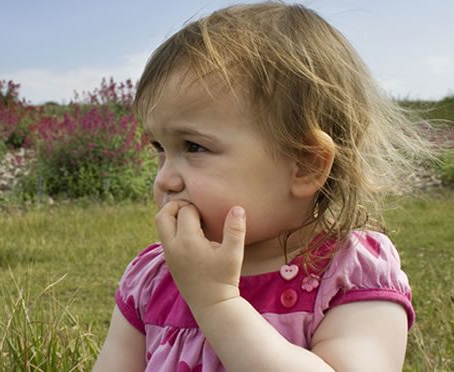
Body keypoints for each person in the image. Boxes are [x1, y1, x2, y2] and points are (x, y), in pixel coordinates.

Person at [94, 2, 433, 371]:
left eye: (194, 147)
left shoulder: (348, 275)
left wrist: (216, 303)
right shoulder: (153, 278)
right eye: (161, 148)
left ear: (304, 164)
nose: (164, 179)